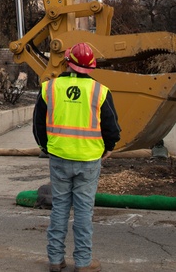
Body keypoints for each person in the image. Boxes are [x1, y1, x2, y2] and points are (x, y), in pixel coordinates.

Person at [33, 42, 121, 272]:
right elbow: (111, 128)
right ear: (90, 66)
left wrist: (47, 147)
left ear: (68, 62)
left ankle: (55, 260)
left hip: (59, 157)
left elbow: (38, 127)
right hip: (89, 160)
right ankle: (83, 263)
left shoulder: (49, 88)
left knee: (60, 207)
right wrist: (108, 147)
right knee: (83, 211)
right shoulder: (100, 92)